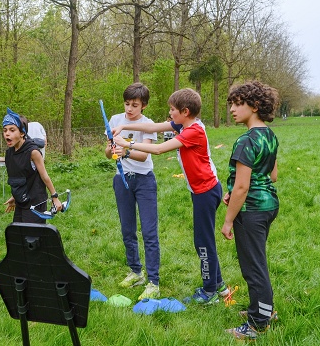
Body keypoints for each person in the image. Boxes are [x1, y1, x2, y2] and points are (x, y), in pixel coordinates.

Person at [113, 88, 229, 304]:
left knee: (203, 243)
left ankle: (210, 292)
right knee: (204, 240)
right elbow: (152, 127)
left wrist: (125, 144)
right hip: (201, 191)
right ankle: (218, 285)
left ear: (185, 111)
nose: (170, 113)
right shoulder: (184, 124)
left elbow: (158, 150)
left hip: (206, 191)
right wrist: (123, 126)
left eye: (173, 110)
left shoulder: (193, 131)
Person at [221, 81, 279, 341]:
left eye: (238, 103)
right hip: (269, 205)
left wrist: (228, 220)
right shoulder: (269, 135)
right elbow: (272, 175)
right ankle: (263, 310)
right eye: (231, 104)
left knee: (253, 267)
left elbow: (243, 187)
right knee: (258, 262)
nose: (232, 109)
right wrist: (233, 190)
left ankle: (258, 324)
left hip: (252, 209)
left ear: (254, 106)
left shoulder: (245, 140)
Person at [104, 82, 161, 301]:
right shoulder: (115, 120)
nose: (129, 109)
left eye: (134, 105)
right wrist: (111, 149)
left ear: (143, 106)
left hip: (144, 181)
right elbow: (108, 154)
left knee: (149, 232)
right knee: (127, 230)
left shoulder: (148, 124)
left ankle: (153, 281)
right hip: (122, 179)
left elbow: (144, 155)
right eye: (127, 104)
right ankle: (136, 272)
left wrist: (125, 150)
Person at [2, 108, 62, 223]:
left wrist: (55, 197)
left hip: (36, 201)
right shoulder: (9, 153)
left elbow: (45, 176)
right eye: (5, 130)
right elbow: (19, 177)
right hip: (21, 201)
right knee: (19, 235)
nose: (7, 134)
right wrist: (15, 196)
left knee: (33, 237)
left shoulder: (33, 152)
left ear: (22, 133)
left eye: (12, 130)